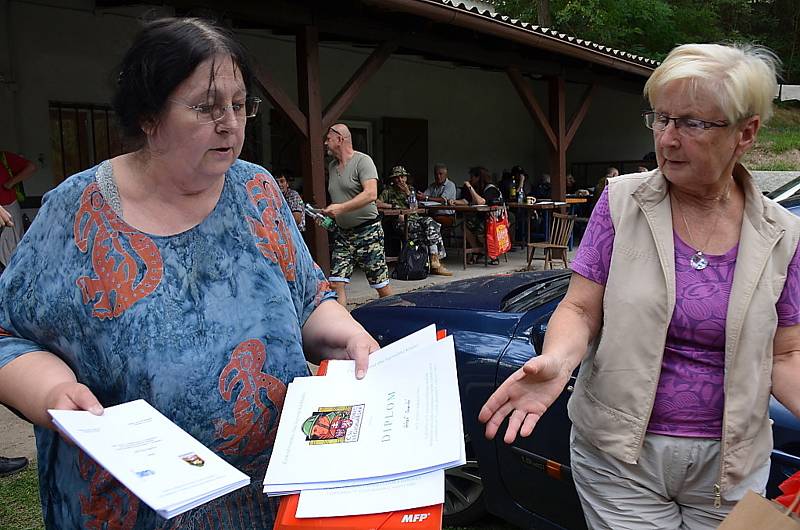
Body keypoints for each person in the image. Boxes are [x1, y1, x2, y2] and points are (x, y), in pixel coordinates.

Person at [0, 17, 379, 529]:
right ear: (148, 115)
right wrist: (48, 392)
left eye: (240, 105)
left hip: (273, 499)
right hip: (134, 509)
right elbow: (8, 335)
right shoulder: (79, 210)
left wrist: (350, 338)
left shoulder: (258, 191)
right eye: (206, 107)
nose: (230, 124)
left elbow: (308, 298)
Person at [479, 43, 800, 529]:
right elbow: (582, 309)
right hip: (619, 458)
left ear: (746, 132)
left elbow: (786, 354)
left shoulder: (782, 232)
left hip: (731, 467)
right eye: (660, 118)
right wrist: (559, 359)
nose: (667, 140)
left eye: (692, 123)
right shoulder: (621, 202)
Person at [323, 123, 392, 307]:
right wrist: (330, 217)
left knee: (381, 285)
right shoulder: (331, 167)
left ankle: (397, 317)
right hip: (344, 235)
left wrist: (340, 209)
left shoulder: (363, 161)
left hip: (368, 232)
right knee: (336, 282)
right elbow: (340, 198)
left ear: (340, 139)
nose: (325, 143)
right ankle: (342, 327)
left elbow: (371, 194)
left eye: (328, 139)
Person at [377, 165, 452, 276]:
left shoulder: (410, 189)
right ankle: (435, 262)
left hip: (415, 220)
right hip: (400, 222)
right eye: (397, 177)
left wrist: (407, 192)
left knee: (431, 224)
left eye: (402, 177)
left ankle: (434, 260)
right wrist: (392, 206)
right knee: (428, 232)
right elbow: (377, 203)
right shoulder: (388, 191)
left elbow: (414, 207)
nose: (400, 180)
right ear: (393, 179)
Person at [455, 166, 502, 264]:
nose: (470, 179)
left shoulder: (490, 189)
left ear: (478, 177)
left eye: (472, 177)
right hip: (483, 218)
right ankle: (476, 249)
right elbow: (466, 201)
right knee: (465, 225)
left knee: (480, 230)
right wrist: (453, 201)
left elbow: (480, 201)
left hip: (495, 221)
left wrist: (469, 187)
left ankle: (493, 255)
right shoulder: (479, 188)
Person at [0, 150, 36, 266]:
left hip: (8, 207)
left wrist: (10, 183)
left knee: (10, 251)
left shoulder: (3, 157)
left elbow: (31, 167)